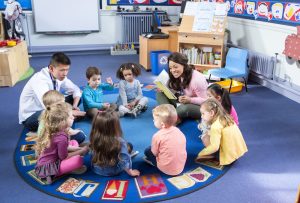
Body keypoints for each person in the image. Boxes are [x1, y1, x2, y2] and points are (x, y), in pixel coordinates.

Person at [19, 52, 85, 132]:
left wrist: (74, 106)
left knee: (75, 99)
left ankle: (66, 120)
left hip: (52, 106)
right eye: (62, 70)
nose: (65, 73)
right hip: (32, 116)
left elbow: (75, 89)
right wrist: (73, 112)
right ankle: (67, 120)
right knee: (78, 136)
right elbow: (50, 107)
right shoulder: (40, 80)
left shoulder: (58, 75)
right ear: (51, 68)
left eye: (67, 70)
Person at [35, 102, 88, 184]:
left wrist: (78, 148)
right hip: (49, 169)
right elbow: (64, 157)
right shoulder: (61, 137)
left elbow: (65, 147)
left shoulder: (56, 130)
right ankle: (69, 170)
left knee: (73, 142)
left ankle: (68, 165)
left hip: (46, 161)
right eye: (70, 117)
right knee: (78, 160)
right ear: (62, 122)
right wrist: (82, 151)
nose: (73, 118)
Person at [156, 52, 208, 122]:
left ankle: (168, 115)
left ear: (184, 65)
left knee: (184, 109)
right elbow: (178, 90)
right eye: (170, 68)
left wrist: (190, 100)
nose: (172, 70)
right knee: (160, 93)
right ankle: (171, 115)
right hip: (183, 100)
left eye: (175, 67)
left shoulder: (197, 80)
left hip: (200, 107)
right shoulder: (179, 74)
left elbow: (206, 101)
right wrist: (165, 89)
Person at [196, 98, 247, 166]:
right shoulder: (225, 117)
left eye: (203, 114)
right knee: (209, 133)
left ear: (212, 113)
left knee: (205, 137)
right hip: (238, 151)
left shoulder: (215, 126)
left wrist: (201, 153)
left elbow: (214, 147)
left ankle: (211, 155)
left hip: (228, 157)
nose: (202, 117)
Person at [90, 110, 140, 177]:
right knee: (129, 147)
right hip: (113, 170)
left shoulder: (94, 137)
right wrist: (130, 171)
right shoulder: (120, 142)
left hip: (97, 169)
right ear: (115, 127)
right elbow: (124, 159)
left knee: (127, 146)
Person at [144, 104, 187, 176]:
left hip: (166, 169)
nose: (153, 121)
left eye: (154, 120)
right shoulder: (179, 131)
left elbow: (154, 153)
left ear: (162, 124)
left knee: (148, 150)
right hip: (181, 166)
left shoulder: (157, 136)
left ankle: (155, 163)